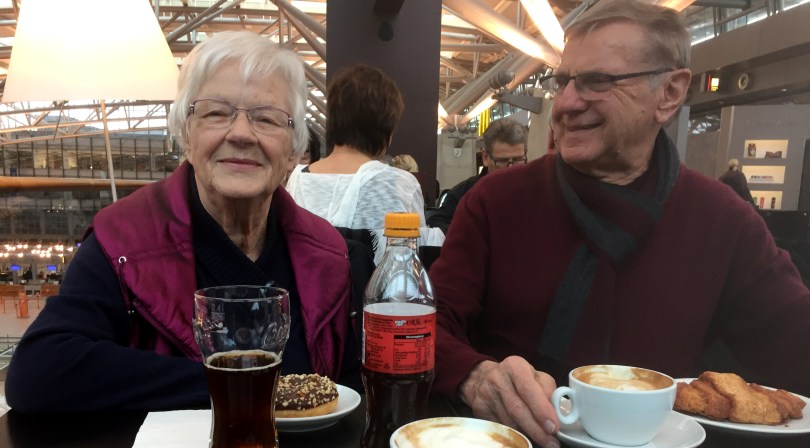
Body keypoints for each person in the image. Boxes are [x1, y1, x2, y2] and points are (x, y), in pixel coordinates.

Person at [429, 0, 810, 448]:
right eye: (563, 81)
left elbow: (791, 344)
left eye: (597, 82)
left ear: (669, 93)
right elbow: (421, 325)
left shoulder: (720, 221)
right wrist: (475, 376)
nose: (567, 103)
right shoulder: (497, 202)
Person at [6, 31, 358, 413]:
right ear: (185, 136)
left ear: (293, 152)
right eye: (216, 113)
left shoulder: (327, 253)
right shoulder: (123, 240)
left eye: (266, 118)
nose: (240, 133)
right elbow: (39, 372)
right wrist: (232, 388)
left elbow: (351, 390)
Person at [285, 63, 443, 264]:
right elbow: (412, 263)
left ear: (333, 118)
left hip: (308, 295)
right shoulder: (401, 184)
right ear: (387, 128)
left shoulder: (296, 180)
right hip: (376, 294)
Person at [428, 117, 528, 234]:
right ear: (485, 157)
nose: (511, 168)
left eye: (518, 160)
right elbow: (436, 223)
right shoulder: (462, 195)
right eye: (502, 161)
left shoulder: (537, 193)